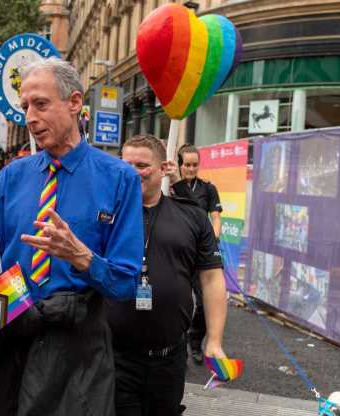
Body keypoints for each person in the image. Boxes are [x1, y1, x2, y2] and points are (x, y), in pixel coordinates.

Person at [0, 58, 143, 416]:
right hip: (12, 340)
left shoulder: (119, 178)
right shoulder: (11, 177)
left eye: (41, 104)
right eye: (26, 106)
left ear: (74, 102)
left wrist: (82, 257)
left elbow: (126, 284)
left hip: (78, 354)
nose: (30, 117)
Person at [110, 135, 228, 416]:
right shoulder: (105, 214)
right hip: (114, 356)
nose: (134, 172)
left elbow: (211, 279)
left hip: (169, 359)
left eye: (142, 165)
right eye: (127, 165)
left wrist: (214, 340)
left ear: (163, 168)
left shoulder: (192, 217)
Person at [173, 144, 223, 364]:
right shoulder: (170, 186)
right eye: (187, 165)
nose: (191, 169)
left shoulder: (208, 189)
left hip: (199, 253)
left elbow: (215, 217)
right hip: (175, 251)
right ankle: (176, 343)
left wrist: (213, 239)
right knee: (176, 301)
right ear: (179, 164)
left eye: (195, 165)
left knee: (204, 303)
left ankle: (195, 341)